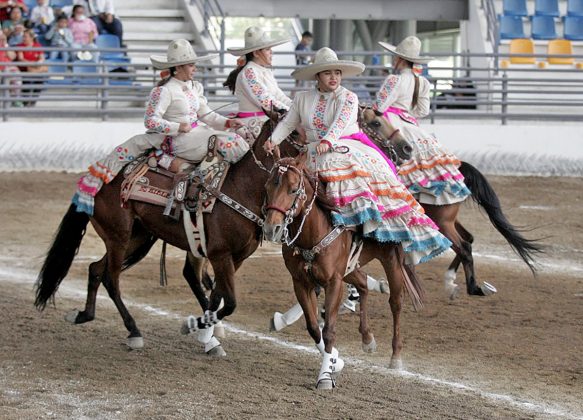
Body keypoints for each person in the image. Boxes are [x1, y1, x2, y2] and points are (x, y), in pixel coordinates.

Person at [264, 47, 451, 266]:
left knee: (353, 181)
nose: (333, 77)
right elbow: (288, 122)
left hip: (344, 145)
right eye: (327, 73)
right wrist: (273, 140)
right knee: (284, 183)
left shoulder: (349, 97)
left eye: (337, 73)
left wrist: (327, 141)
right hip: (313, 150)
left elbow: (339, 124)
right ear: (318, 76)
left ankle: (357, 235)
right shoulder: (302, 98)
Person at [72, 39, 250, 215]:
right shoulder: (164, 91)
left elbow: (208, 114)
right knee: (231, 143)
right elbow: (150, 121)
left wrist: (227, 123)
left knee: (237, 138)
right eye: (190, 65)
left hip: (197, 134)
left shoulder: (194, 87)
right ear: (178, 67)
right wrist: (177, 127)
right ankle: (197, 189)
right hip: (177, 139)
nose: (195, 68)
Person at [375, 36, 471, 205]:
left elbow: (379, 108)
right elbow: (422, 111)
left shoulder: (394, 80)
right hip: (411, 124)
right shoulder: (422, 82)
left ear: (399, 59)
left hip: (393, 123)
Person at [223, 26, 292, 138]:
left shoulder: (265, 71)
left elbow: (279, 96)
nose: (271, 52)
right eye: (267, 49)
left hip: (266, 119)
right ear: (256, 53)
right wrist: (291, 113)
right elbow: (266, 102)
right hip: (254, 124)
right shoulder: (249, 73)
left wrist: (296, 108)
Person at [16, 29, 45, 107]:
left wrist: (38, 63)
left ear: (31, 37)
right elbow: (21, 59)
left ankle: (33, 100)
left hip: (35, 69)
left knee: (40, 80)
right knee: (27, 80)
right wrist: (32, 64)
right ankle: (25, 101)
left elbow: (42, 58)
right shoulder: (20, 46)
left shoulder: (37, 45)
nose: (23, 38)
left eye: (25, 37)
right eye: (23, 37)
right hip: (24, 69)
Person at [0, 31, 22, 106]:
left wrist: (5, 43)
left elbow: (12, 56)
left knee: (16, 74)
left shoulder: (4, 45)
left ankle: (15, 99)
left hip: (7, 67)